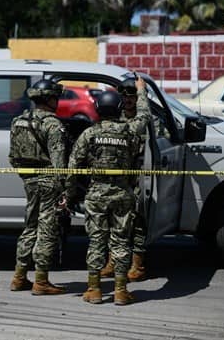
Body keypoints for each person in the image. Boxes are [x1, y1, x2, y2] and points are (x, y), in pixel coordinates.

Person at [66, 89, 143, 305]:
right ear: (119, 108)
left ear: (98, 109)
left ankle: (94, 289)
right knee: (120, 241)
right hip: (122, 195)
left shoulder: (89, 134)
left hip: (96, 194)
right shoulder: (130, 133)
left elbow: (73, 165)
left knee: (96, 241)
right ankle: (120, 291)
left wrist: (69, 195)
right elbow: (136, 161)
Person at [8, 79, 68, 295]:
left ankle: (19, 277)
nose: (58, 101)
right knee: (47, 229)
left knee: (30, 226)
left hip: (29, 181)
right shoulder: (53, 124)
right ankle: (41, 281)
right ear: (49, 99)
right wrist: (64, 190)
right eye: (56, 97)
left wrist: (27, 177)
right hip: (49, 181)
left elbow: (13, 157)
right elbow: (60, 162)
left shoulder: (18, 121)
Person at [100, 76, 153, 281]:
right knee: (114, 219)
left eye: (132, 95)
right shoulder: (114, 118)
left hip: (139, 176)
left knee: (138, 218)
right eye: (124, 95)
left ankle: (137, 264)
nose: (128, 99)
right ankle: (112, 261)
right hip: (118, 177)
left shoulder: (148, 121)